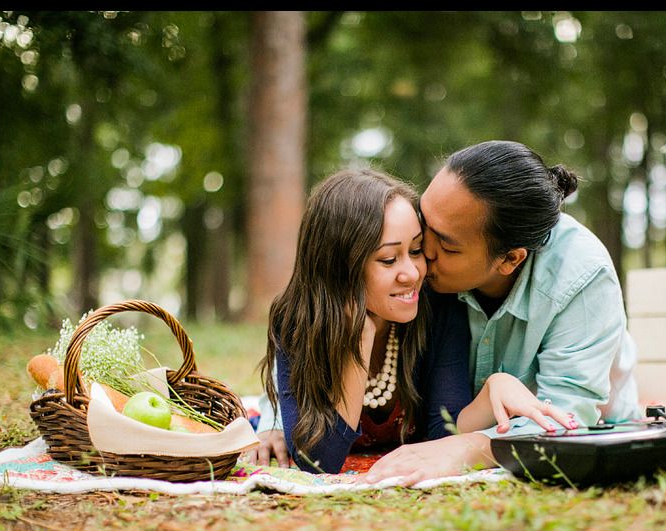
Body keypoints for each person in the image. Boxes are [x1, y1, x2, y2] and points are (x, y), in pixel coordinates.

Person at [248, 167, 573, 475]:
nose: (413, 273)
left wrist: (493, 390)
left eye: (416, 250)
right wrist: (358, 340)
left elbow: (443, 431)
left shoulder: (438, 306)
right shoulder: (296, 321)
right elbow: (318, 460)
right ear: (340, 267)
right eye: (389, 259)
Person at [359, 140, 640, 485]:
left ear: (510, 259)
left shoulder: (581, 276)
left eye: (446, 245)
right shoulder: (426, 266)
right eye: (424, 222)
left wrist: (466, 450)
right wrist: (276, 422)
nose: (423, 252)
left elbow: (569, 417)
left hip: (599, 428)